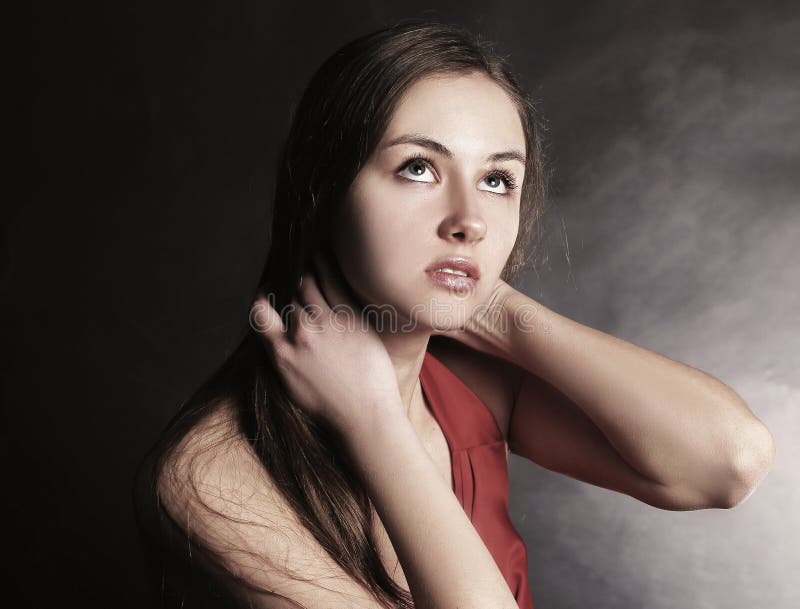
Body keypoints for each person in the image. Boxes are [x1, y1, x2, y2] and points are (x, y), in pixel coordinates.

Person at [134, 17, 775, 609]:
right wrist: (373, 421)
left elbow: (728, 461)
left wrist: (488, 308)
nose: (468, 220)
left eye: (498, 181)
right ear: (326, 188)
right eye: (418, 167)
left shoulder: (470, 380)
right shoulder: (209, 474)